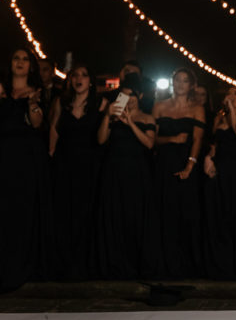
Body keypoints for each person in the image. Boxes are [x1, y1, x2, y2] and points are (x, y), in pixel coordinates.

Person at [0, 49, 53, 291]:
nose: (20, 62)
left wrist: (32, 105)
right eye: (16, 58)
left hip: (24, 159)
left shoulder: (35, 93)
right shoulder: (1, 90)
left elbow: (37, 124)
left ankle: (20, 266)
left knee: (20, 210)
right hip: (3, 155)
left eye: (24, 59)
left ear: (30, 66)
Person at [147, 68, 206, 278]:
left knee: (186, 213)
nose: (181, 84)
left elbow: (198, 139)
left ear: (191, 85)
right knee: (164, 211)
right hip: (164, 163)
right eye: (177, 80)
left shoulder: (197, 108)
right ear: (172, 83)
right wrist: (171, 140)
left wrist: (190, 166)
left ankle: (187, 265)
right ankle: (163, 264)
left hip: (186, 162)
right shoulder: (159, 107)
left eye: (185, 81)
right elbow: (151, 139)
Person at [95, 74, 155, 279]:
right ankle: (115, 265)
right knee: (115, 216)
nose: (129, 99)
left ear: (139, 97)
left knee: (135, 217)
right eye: (125, 95)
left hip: (137, 173)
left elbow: (149, 144)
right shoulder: (113, 117)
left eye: (133, 96)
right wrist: (107, 116)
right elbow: (101, 140)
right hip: (114, 171)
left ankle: (137, 264)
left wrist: (130, 122)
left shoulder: (147, 118)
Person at [48, 64, 104, 280]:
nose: (79, 78)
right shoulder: (61, 102)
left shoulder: (101, 103)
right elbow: (54, 128)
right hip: (64, 162)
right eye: (75, 75)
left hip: (89, 164)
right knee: (64, 211)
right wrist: (51, 153)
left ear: (91, 80)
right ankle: (64, 263)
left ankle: (85, 264)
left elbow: (103, 136)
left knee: (85, 212)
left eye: (84, 74)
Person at [203, 86, 236, 279]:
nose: (231, 96)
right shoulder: (219, 118)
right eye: (229, 93)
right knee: (220, 214)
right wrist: (209, 158)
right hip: (220, 169)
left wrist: (233, 110)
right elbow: (214, 143)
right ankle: (220, 265)